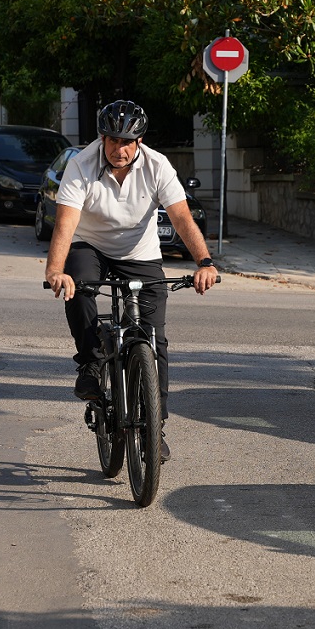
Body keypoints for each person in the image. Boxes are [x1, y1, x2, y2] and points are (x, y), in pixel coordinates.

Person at [46, 100, 219, 460]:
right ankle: (91, 363)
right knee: (78, 287)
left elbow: (182, 217)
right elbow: (65, 225)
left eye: (127, 141)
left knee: (154, 340)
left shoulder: (158, 166)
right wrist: (55, 270)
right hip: (89, 245)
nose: (119, 149)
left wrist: (204, 261)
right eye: (112, 140)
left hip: (139, 253)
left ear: (139, 141)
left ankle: (157, 428)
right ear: (101, 138)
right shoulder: (81, 166)